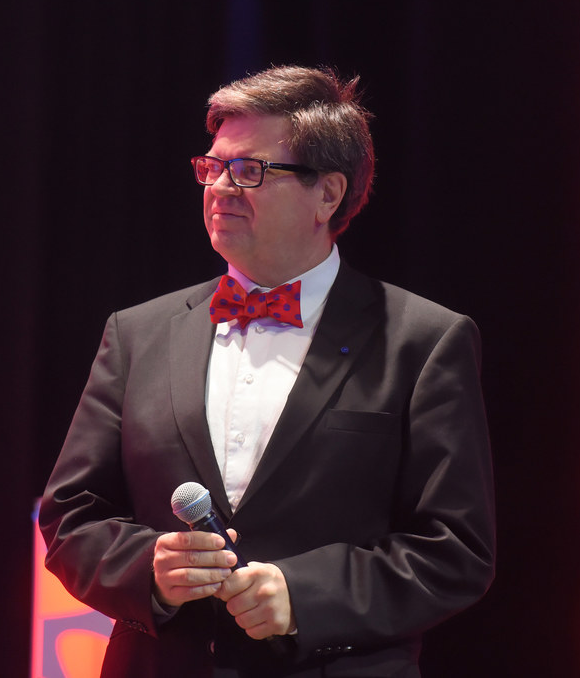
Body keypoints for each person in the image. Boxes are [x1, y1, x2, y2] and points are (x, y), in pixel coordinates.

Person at [39, 65, 495, 678]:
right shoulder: (137, 332)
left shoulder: (423, 339)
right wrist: (150, 568)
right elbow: (72, 514)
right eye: (212, 166)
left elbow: (455, 550)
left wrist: (305, 595)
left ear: (327, 195)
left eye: (250, 170)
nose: (221, 187)